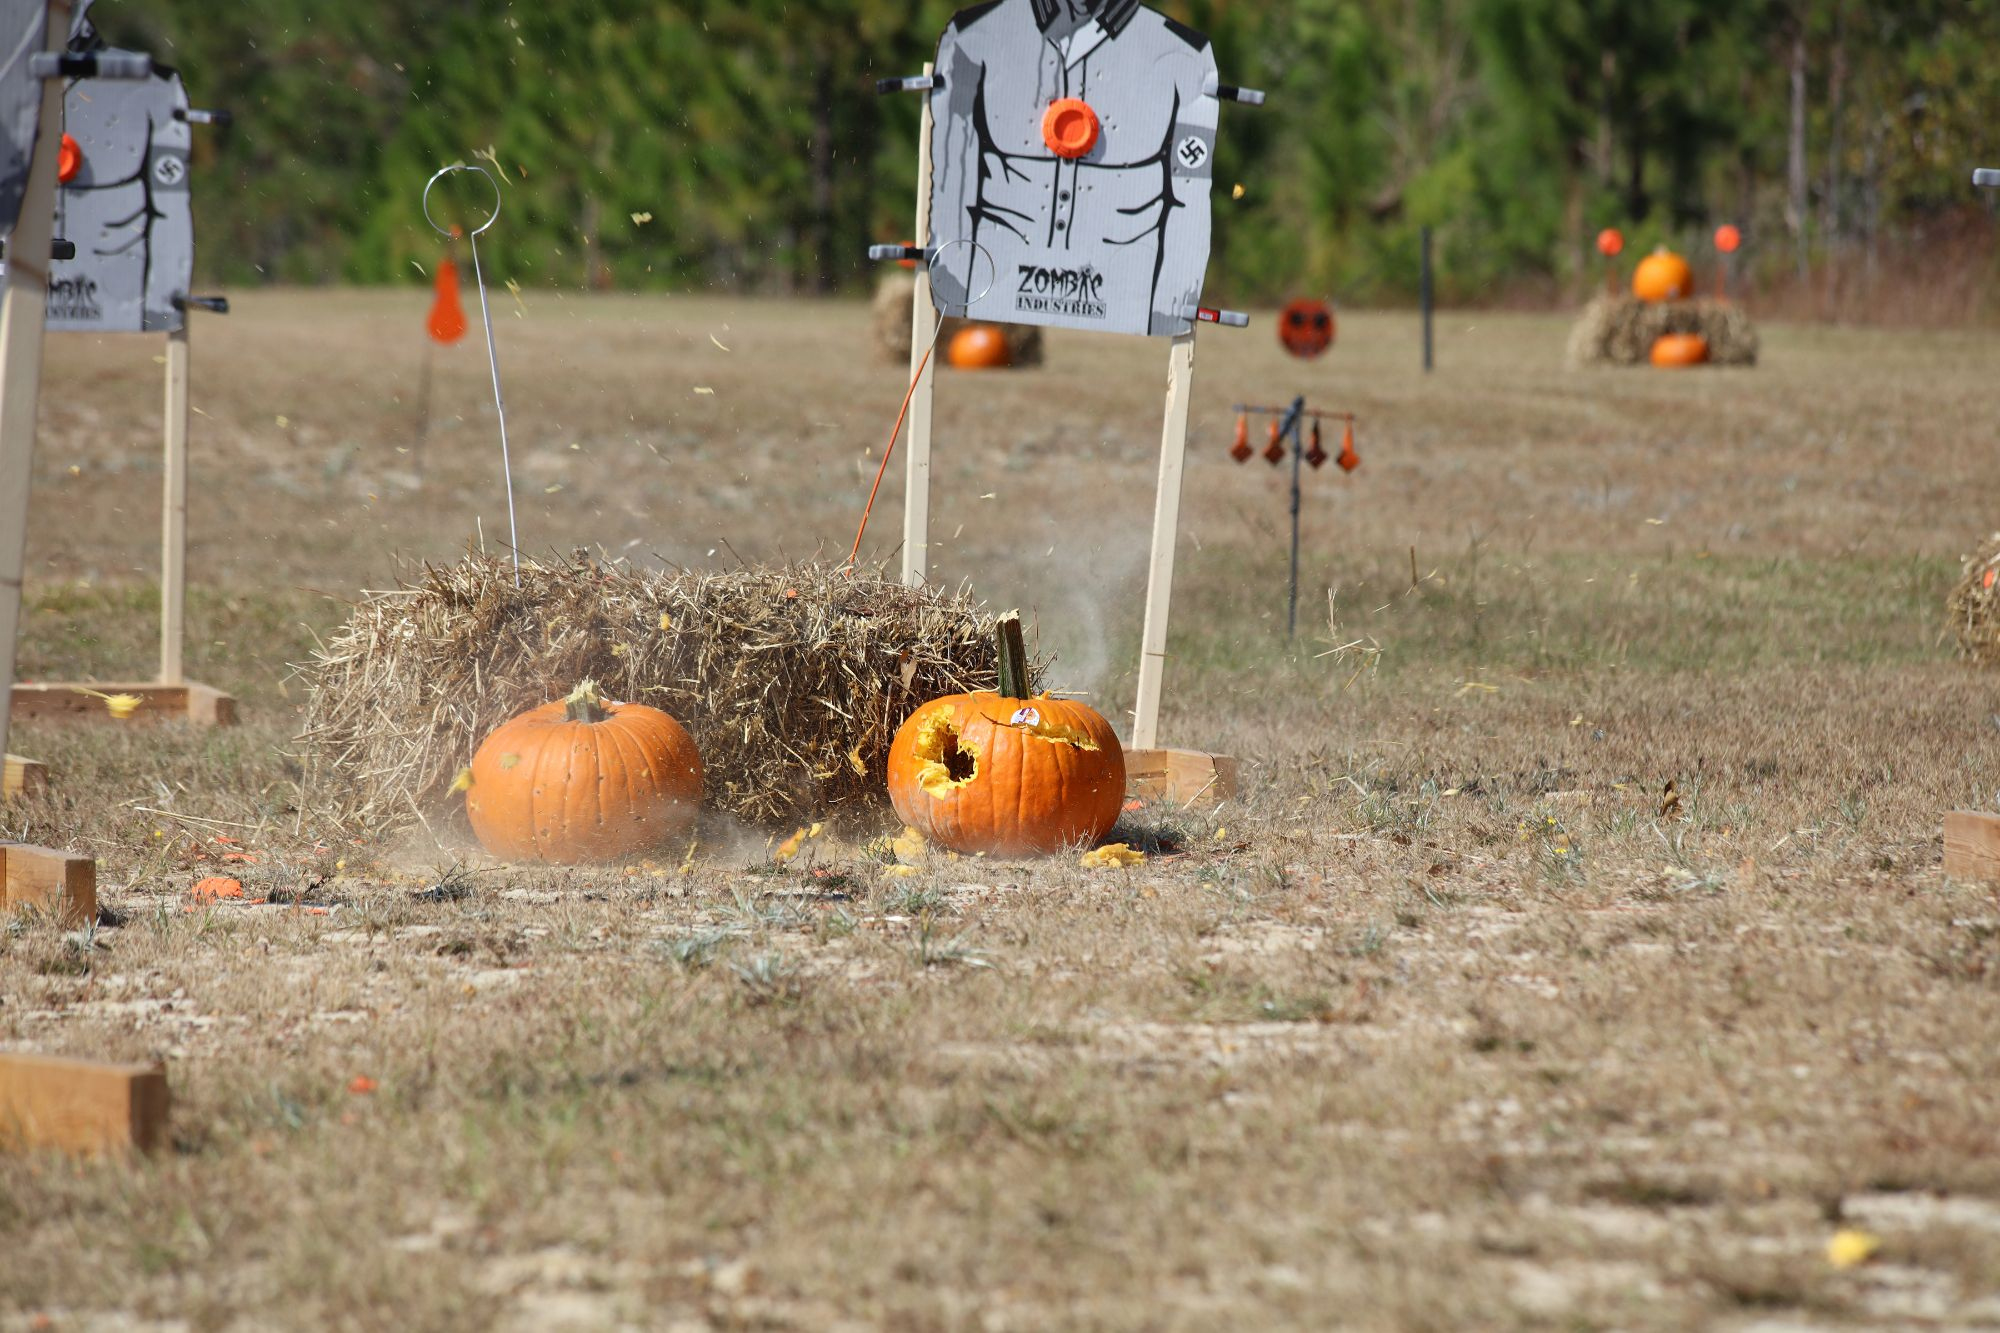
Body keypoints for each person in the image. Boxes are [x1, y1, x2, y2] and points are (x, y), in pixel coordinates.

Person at [928, 0, 1220, 338]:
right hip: (995, 269)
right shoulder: (974, 34)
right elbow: (955, 173)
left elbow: (1189, 196)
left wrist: (1170, 303)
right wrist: (954, 282)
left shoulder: (1184, 54)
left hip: (1124, 280)